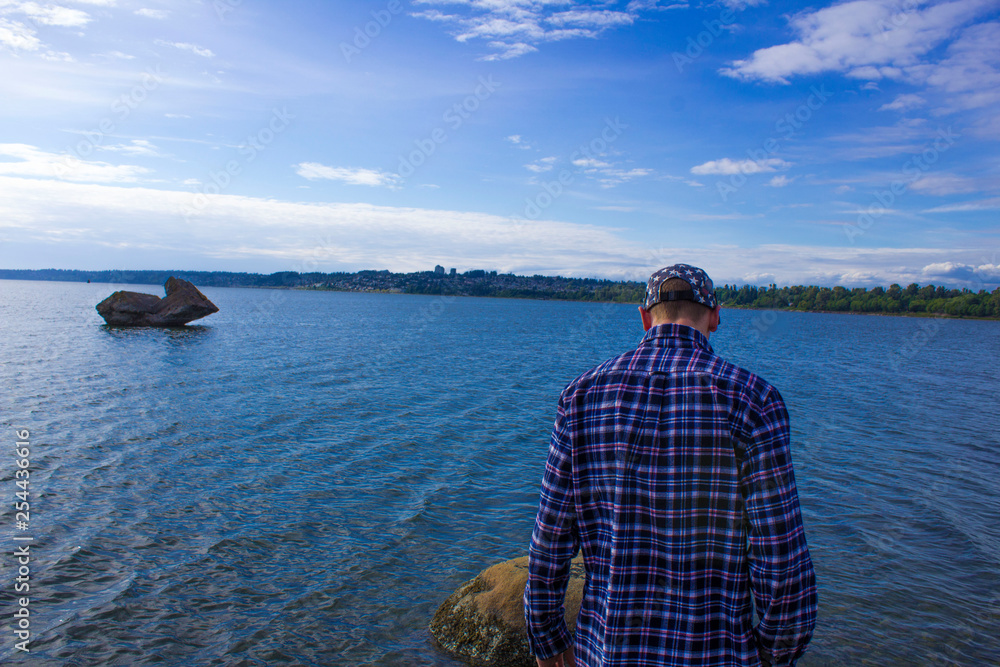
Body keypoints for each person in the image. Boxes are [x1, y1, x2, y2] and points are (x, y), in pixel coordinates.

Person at [524, 263, 817, 667]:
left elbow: (550, 538)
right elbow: (781, 558)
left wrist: (546, 637)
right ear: (715, 317)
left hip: (606, 652)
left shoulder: (581, 397)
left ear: (644, 318)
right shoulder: (755, 402)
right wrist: (775, 651)